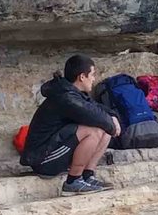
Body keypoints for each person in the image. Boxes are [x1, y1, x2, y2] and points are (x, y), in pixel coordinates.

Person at [19, 54, 118, 194]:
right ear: (82, 77)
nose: (94, 79)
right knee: (93, 131)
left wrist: (112, 117)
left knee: (103, 130)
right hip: (42, 159)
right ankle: (73, 181)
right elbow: (94, 116)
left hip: (55, 150)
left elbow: (97, 109)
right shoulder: (66, 97)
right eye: (92, 74)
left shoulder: (73, 92)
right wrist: (112, 125)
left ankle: (87, 176)